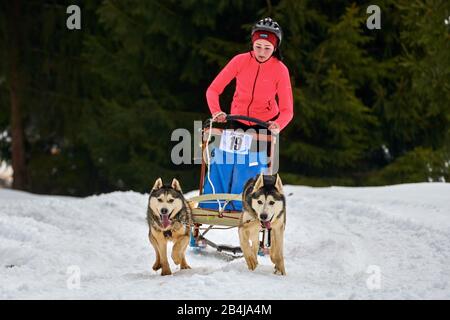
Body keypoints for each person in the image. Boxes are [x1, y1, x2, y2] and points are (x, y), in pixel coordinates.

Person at [206, 17, 294, 135]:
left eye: (267, 48)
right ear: (252, 43)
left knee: (259, 154)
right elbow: (213, 90)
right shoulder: (239, 61)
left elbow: (287, 110)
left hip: (265, 124)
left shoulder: (281, 70)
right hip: (237, 120)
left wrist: (278, 124)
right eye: (258, 46)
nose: (262, 53)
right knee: (231, 154)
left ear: (275, 48)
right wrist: (216, 111)